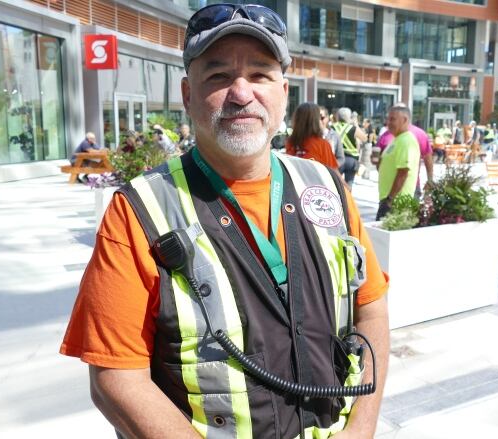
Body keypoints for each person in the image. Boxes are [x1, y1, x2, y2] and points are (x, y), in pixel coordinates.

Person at [59, 4, 390, 439]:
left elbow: (372, 312)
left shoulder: (326, 186)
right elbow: (115, 379)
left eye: (260, 74)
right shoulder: (138, 211)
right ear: (187, 95)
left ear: (284, 91)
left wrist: (360, 430)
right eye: (217, 76)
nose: (241, 92)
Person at [376, 105, 420, 220]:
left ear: (404, 120)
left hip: (396, 202)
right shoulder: (396, 139)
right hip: (388, 199)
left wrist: (390, 199)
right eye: (388, 119)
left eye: (392, 119)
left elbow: (403, 172)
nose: (388, 123)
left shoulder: (406, 141)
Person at [285, 102, 339, 171]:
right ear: (315, 121)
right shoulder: (322, 144)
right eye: (320, 118)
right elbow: (334, 172)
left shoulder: (291, 142)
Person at [332, 107, 366, 188]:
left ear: (338, 116)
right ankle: (348, 198)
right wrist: (355, 124)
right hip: (351, 160)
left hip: (337, 160)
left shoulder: (333, 127)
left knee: (336, 184)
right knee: (348, 184)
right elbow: (364, 138)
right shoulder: (352, 128)